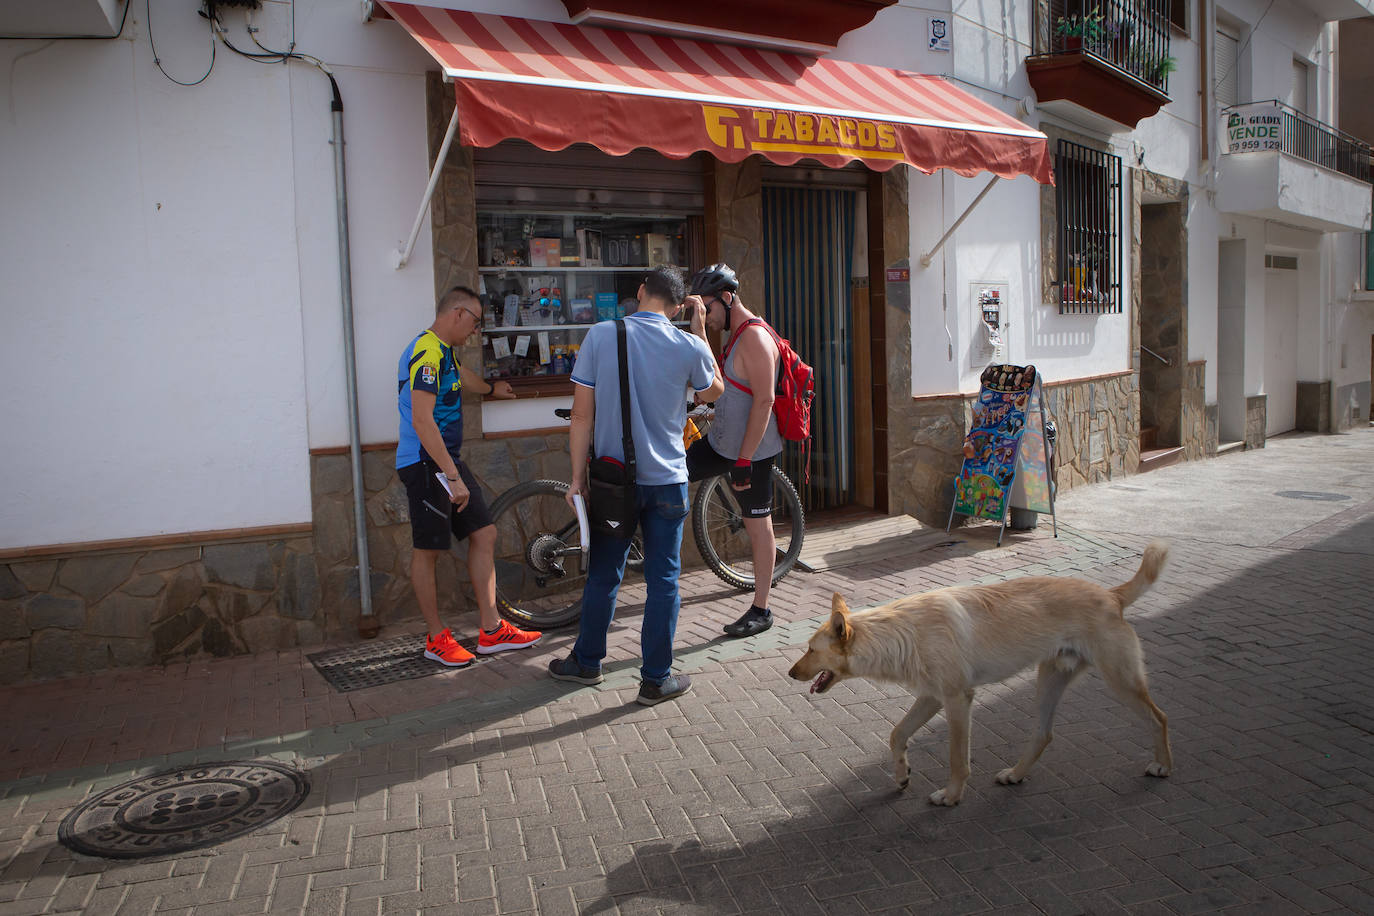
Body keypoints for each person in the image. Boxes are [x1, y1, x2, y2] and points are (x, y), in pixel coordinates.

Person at [549, 266, 724, 705]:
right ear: (681, 305)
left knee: (606, 572)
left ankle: (587, 662)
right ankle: (655, 679)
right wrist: (700, 330)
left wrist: (576, 479)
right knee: (664, 579)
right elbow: (714, 391)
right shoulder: (687, 346)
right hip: (668, 481)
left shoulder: (601, 336)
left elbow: (582, 416)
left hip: (614, 481)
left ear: (641, 291)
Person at [397, 286, 543, 668]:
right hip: (426, 463)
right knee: (427, 550)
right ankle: (435, 638)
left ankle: (492, 630)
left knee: (484, 532)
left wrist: (492, 388)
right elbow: (421, 419)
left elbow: (461, 377)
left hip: (446, 462)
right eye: (476, 322)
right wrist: (451, 475)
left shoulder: (443, 352)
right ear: (458, 313)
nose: (476, 331)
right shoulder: (426, 352)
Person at [685, 263, 783, 639]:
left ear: (727, 298)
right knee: (670, 472)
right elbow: (722, 381)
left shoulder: (756, 338)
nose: (707, 317)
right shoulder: (736, 334)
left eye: (708, 309)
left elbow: (764, 402)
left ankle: (762, 609)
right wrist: (698, 332)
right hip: (721, 443)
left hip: (752, 453)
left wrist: (743, 462)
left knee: (759, 526)